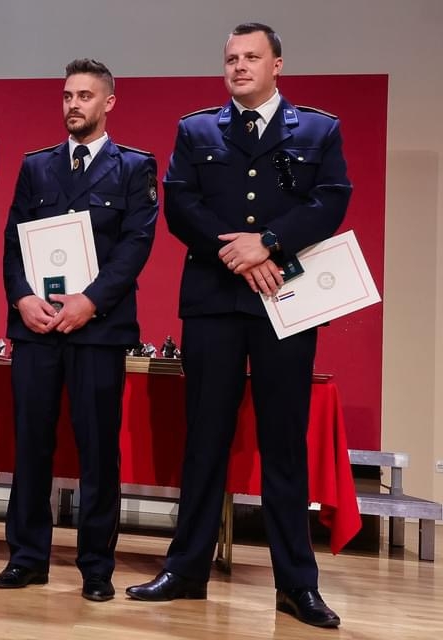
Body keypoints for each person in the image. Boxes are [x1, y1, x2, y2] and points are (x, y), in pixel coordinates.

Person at [125, 23, 351, 628]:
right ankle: (185, 570)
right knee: (204, 438)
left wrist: (268, 243)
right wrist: (239, 253)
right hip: (214, 301)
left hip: (285, 300)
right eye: (231, 58)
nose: (239, 66)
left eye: (252, 57)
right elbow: (180, 202)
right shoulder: (197, 129)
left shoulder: (318, 129)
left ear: (278, 65)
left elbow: (331, 199)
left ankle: (297, 585)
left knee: (284, 443)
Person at [0, 59, 158, 602]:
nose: (73, 105)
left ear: (108, 103)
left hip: (98, 331)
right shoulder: (36, 166)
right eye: (67, 96)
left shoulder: (134, 167)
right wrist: (21, 298)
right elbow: (13, 242)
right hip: (37, 328)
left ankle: (96, 567)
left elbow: (136, 246)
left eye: (84, 96)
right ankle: (26, 558)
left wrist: (91, 302)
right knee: (31, 446)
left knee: (98, 451)